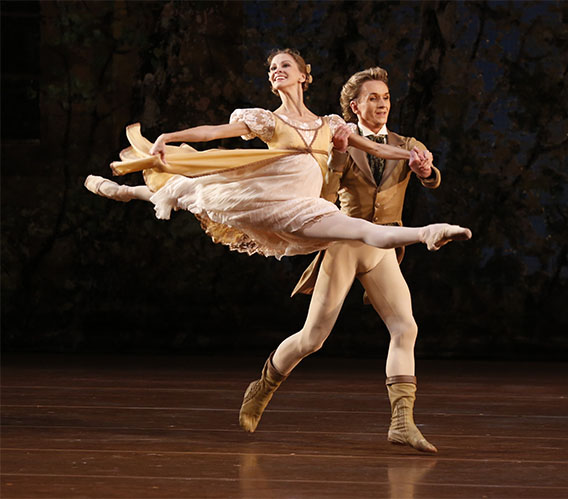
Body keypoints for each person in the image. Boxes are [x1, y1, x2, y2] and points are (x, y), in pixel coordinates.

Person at [239, 67, 447, 454]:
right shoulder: (343, 142)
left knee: (406, 327)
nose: (382, 104)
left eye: (385, 97)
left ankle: (402, 422)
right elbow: (324, 194)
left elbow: (430, 176)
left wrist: (426, 170)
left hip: (384, 246)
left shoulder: (405, 142)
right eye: (373, 98)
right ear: (355, 106)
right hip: (347, 241)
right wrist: (336, 156)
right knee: (312, 338)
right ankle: (263, 385)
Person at [85, 49, 470, 258]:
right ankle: (125, 192)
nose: (276, 71)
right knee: (187, 192)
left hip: (303, 205)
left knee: (363, 231)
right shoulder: (267, 120)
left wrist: (412, 158)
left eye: (284, 66)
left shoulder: (331, 123)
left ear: (304, 75)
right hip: (264, 195)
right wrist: (171, 134)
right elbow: (216, 132)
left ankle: (429, 235)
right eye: (271, 68)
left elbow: (375, 146)